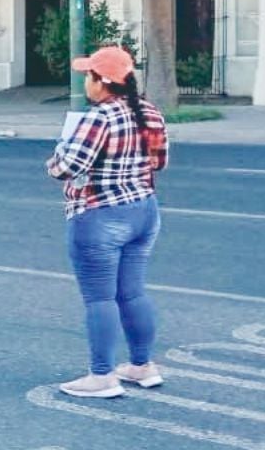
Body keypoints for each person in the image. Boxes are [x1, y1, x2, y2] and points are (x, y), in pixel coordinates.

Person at [46, 46, 169, 399]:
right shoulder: (149, 112)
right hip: (144, 211)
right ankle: (142, 366)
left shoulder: (98, 118)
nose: (85, 81)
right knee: (132, 292)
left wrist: (55, 156)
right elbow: (158, 163)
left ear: (102, 82)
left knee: (100, 298)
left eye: (88, 76)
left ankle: (102, 375)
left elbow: (65, 168)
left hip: (100, 215)